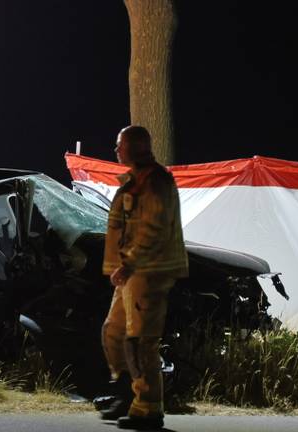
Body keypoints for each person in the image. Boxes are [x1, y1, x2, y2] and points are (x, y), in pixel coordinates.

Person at [99, 126, 188, 430]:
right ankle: (126, 393)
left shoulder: (155, 182)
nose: (116, 150)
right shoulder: (136, 181)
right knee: (113, 332)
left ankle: (148, 409)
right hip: (130, 274)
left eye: (119, 145)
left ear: (134, 147)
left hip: (147, 273)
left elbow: (153, 229)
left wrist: (129, 262)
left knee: (140, 341)